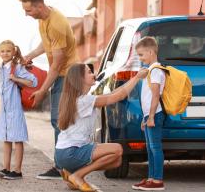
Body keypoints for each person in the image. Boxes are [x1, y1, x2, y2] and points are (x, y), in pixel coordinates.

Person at [55, 63, 149, 192]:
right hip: (71, 152)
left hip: (63, 153)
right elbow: (118, 96)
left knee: (116, 162)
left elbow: (114, 93)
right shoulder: (84, 100)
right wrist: (137, 77)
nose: (93, 74)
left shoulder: (77, 99)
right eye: (89, 72)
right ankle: (78, 175)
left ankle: (72, 175)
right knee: (118, 149)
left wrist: (134, 78)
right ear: (80, 79)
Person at [18, 0, 78, 179]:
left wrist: (43, 90)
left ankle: (63, 167)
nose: (26, 14)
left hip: (67, 75)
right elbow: (46, 44)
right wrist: (29, 55)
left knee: (60, 121)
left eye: (28, 10)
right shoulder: (44, 20)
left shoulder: (57, 23)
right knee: (59, 121)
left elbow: (57, 63)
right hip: (60, 75)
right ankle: (63, 165)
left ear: (39, 5)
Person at [0, 40, 38, 180]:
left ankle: (17, 171)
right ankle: (6, 168)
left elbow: (33, 81)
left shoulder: (16, 67)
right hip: (5, 111)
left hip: (15, 109)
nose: (5, 53)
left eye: (8, 51)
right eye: (2, 51)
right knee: (6, 139)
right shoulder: (1, 68)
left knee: (17, 140)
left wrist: (16, 78)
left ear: (13, 52)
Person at [132, 37, 166, 191]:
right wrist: (145, 117)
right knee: (150, 149)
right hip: (149, 115)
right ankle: (151, 178)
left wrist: (151, 116)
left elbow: (155, 95)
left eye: (141, 55)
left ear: (151, 52)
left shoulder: (156, 71)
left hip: (155, 114)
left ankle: (158, 181)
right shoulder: (151, 70)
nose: (140, 58)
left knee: (155, 147)